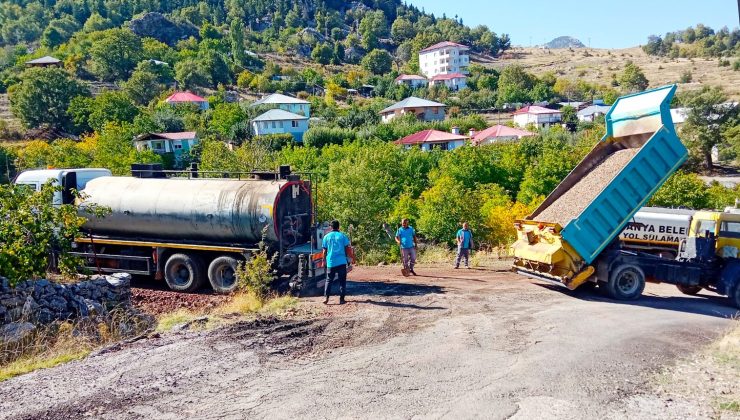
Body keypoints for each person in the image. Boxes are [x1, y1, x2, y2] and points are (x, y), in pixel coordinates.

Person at [322, 220, 352, 304]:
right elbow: (347, 249)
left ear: (331, 227)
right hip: (341, 261)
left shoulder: (326, 237)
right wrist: (348, 259)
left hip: (331, 262)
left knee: (328, 280)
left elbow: (324, 250)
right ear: (339, 227)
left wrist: (323, 260)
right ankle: (342, 299)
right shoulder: (342, 236)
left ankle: (326, 298)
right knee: (342, 280)